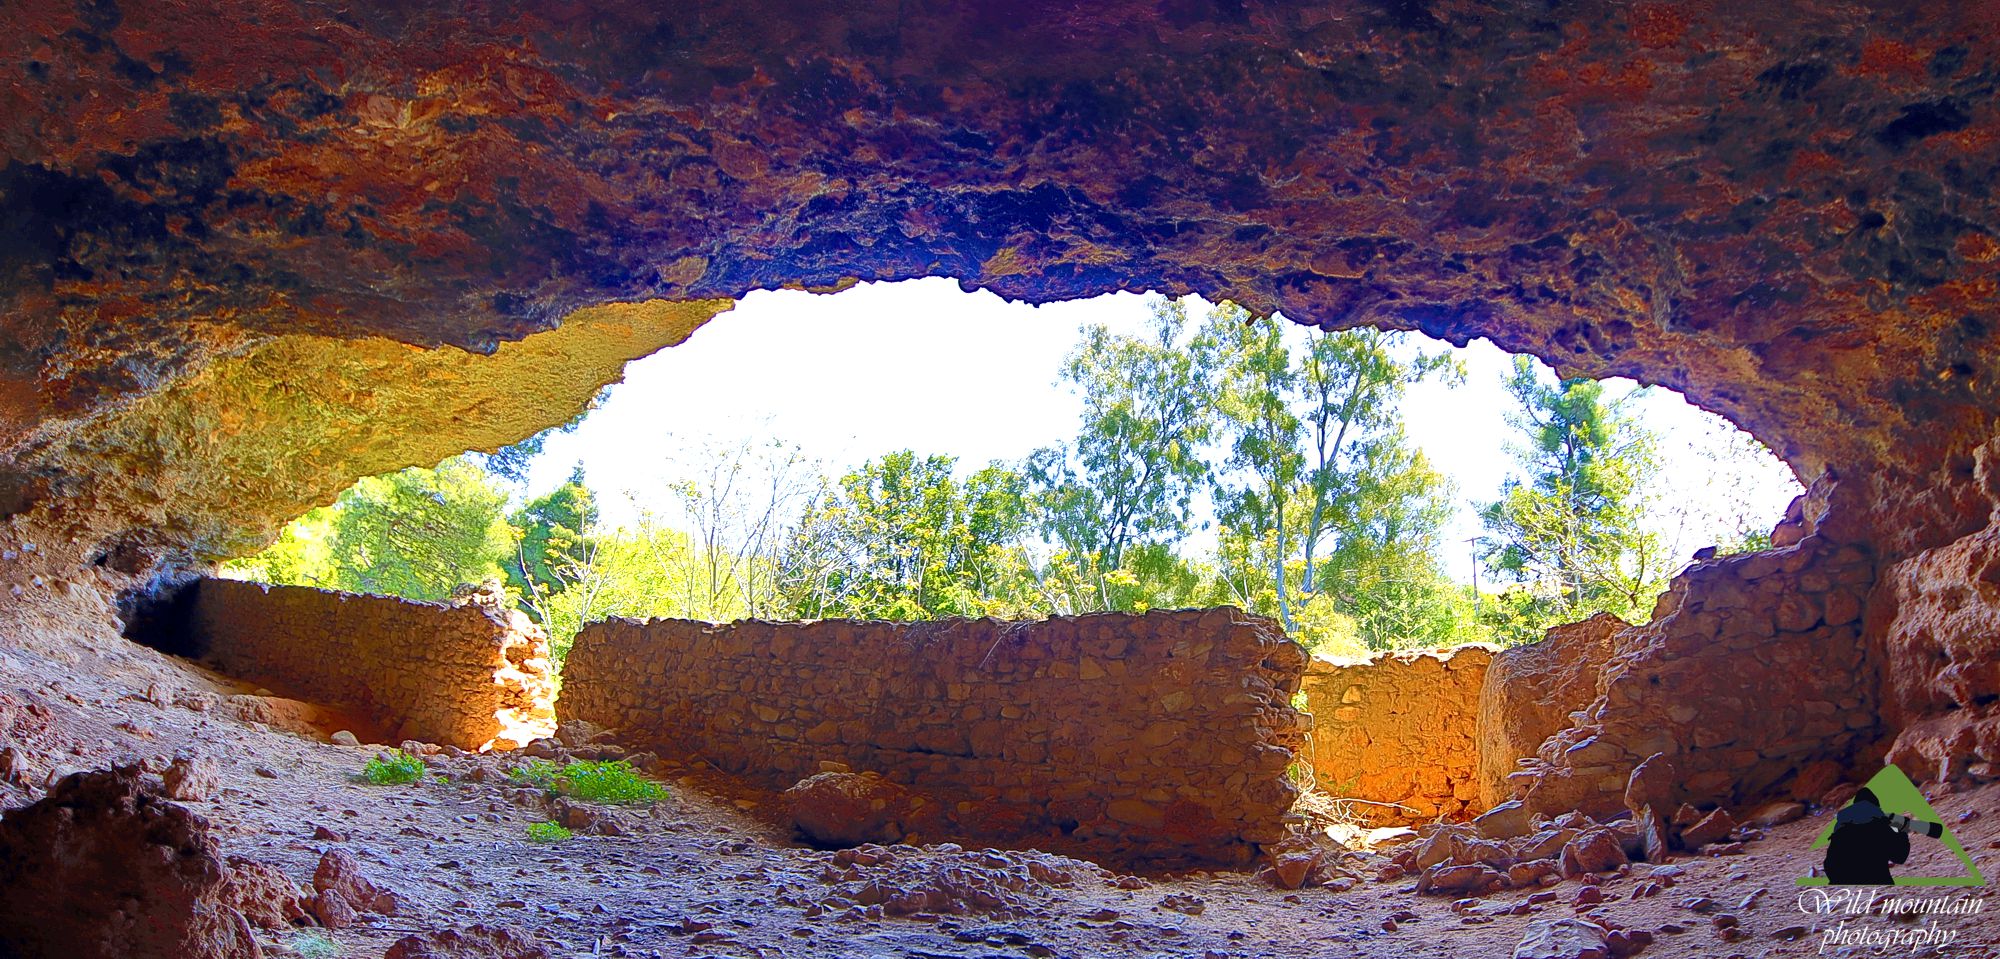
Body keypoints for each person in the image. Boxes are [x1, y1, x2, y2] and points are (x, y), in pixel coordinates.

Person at [1823, 787, 1910, 884]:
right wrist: (1901, 833)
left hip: (1838, 879)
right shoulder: (1881, 826)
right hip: (1874, 879)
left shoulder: (1841, 824)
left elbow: (1830, 862)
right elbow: (1900, 857)